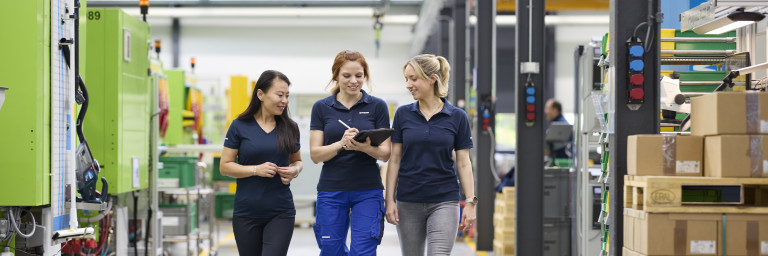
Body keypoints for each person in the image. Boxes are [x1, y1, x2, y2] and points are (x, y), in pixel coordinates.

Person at [385, 54, 477, 256]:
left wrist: (470, 202)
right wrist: (389, 199)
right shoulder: (403, 114)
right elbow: (395, 159)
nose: (408, 85)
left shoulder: (457, 117)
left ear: (432, 78)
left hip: (444, 200)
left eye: (413, 79)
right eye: (406, 79)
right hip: (408, 200)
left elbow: (463, 163)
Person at [310, 50, 391, 256]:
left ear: (365, 76)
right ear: (336, 75)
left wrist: (363, 147)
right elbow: (315, 155)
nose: (353, 81)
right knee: (330, 250)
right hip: (332, 190)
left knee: (363, 251)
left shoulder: (377, 106)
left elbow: (385, 154)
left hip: (367, 191)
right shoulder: (321, 108)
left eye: (359, 75)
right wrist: (341, 143)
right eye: (346, 76)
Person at [219, 70, 302, 256]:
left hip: (281, 211)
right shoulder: (239, 126)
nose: (284, 101)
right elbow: (225, 166)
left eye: (287, 95)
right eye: (280, 95)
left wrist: (294, 170)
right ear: (260, 94)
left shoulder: (290, 127)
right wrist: (256, 170)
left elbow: (297, 160)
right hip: (246, 213)